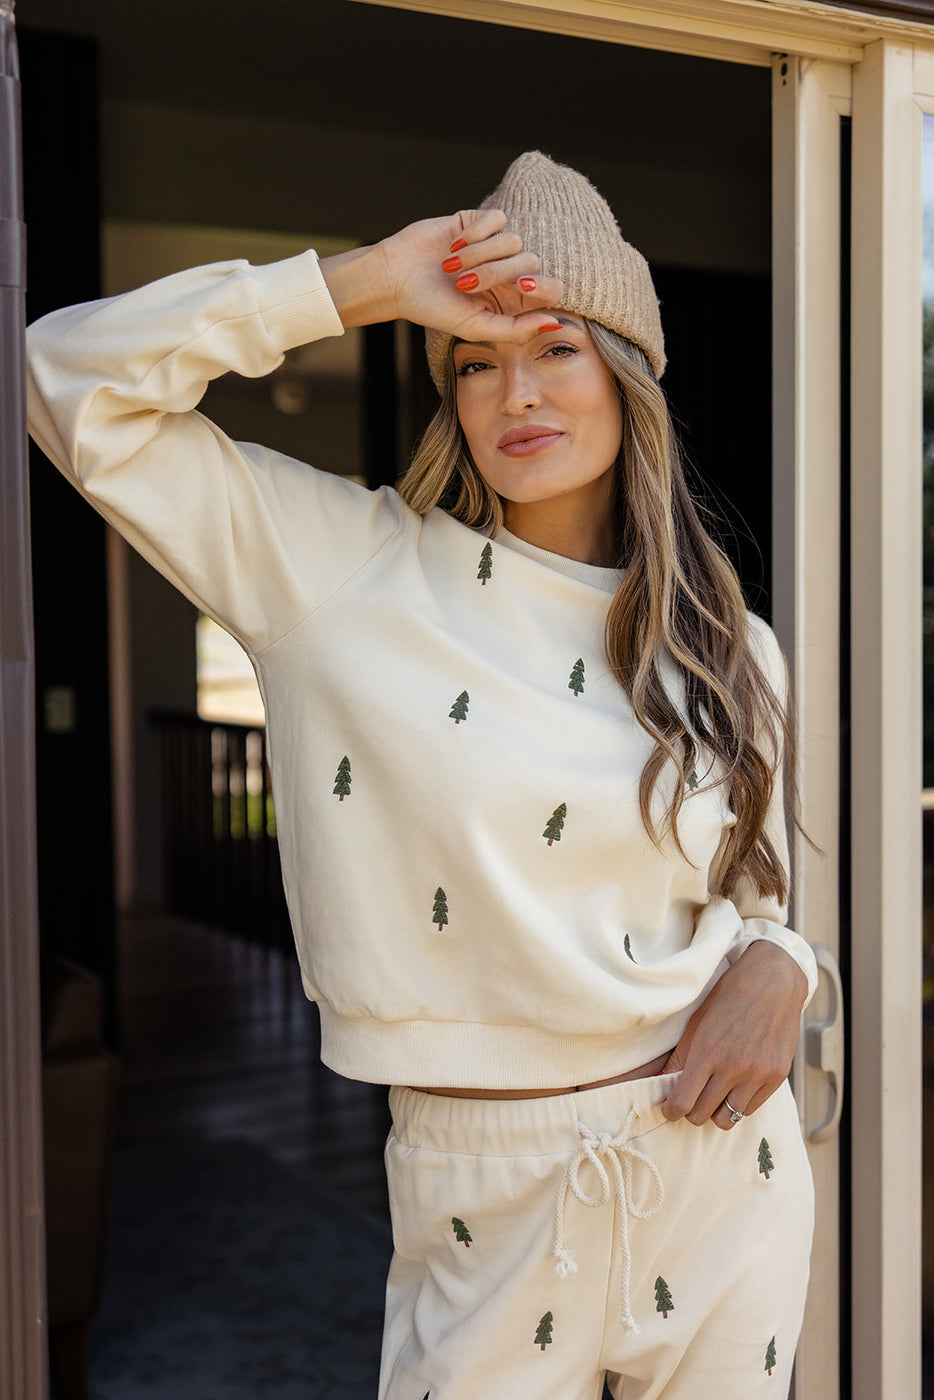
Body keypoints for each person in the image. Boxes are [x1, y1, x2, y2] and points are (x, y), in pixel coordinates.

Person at [27, 150, 816, 1399]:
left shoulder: (728, 640)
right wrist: (362, 286)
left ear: (628, 377)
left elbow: (754, 889)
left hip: (722, 1172)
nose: (517, 393)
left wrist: (788, 961)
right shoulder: (341, 569)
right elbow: (63, 381)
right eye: (473, 358)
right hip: (480, 1189)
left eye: (556, 347)